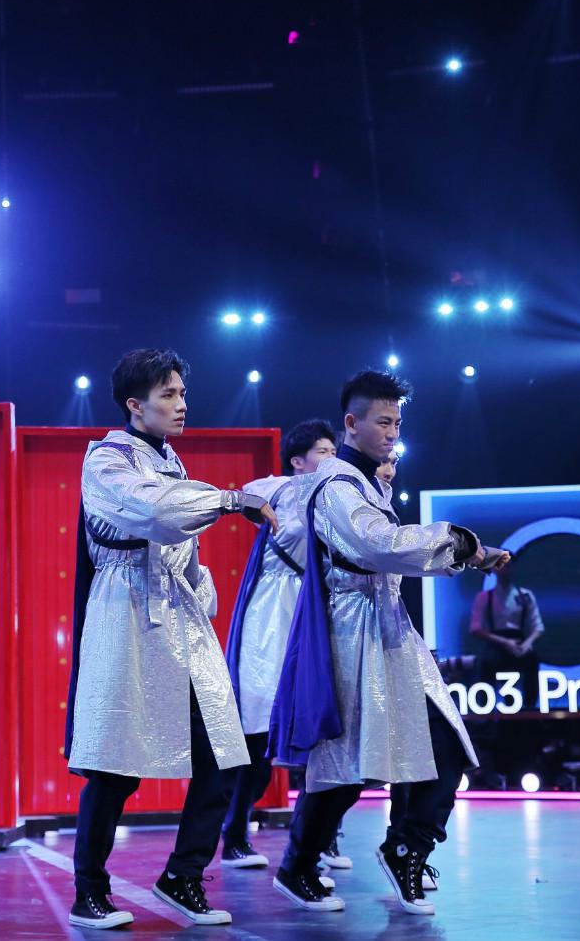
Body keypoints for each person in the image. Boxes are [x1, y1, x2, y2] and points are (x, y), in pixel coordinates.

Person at [269, 370, 509, 916]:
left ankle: (407, 848)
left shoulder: (369, 483)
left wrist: (472, 554)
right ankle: (298, 865)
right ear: (351, 423)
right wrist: (461, 542)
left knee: (444, 742)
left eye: (397, 422)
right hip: (350, 635)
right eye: (383, 421)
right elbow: (377, 545)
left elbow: (392, 552)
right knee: (345, 766)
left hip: (390, 630)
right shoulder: (335, 485)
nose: (393, 432)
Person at [64, 348, 276, 930]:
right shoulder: (107, 460)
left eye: (182, 393)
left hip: (181, 621)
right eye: (169, 395)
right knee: (115, 766)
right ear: (135, 405)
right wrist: (231, 499)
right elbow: (152, 511)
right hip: (125, 616)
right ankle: (89, 891)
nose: (182, 404)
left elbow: (184, 548)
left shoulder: (171, 462)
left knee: (223, 751)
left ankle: (183, 875)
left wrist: (200, 591)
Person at [220, 418, 337, 871]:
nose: (332, 459)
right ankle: (234, 835)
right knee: (257, 730)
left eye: (334, 451)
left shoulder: (336, 498)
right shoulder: (282, 489)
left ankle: (321, 839)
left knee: (319, 729)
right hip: (270, 619)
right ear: (298, 462)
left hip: (309, 615)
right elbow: (250, 491)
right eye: (323, 452)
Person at [469, 561, 545, 710]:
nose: (504, 570)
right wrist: (505, 642)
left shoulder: (525, 595)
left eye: (508, 566)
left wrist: (527, 644)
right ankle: (485, 709)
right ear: (494, 569)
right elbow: (475, 628)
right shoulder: (484, 597)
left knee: (532, 659)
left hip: (519, 642)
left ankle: (530, 708)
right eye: (500, 566)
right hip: (496, 642)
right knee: (486, 662)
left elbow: (537, 626)